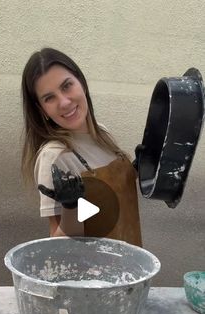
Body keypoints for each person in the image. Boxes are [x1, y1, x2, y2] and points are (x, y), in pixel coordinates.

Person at [21, 47, 142, 246]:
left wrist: (137, 170)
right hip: (92, 272)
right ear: (41, 109)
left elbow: (111, 200)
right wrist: (71, 208)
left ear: (82, 83)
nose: (64, 102)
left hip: (129, 261)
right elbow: (58, 243)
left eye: (67, 86)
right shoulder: (55, 156)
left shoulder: (102, 134)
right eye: (49, 98)